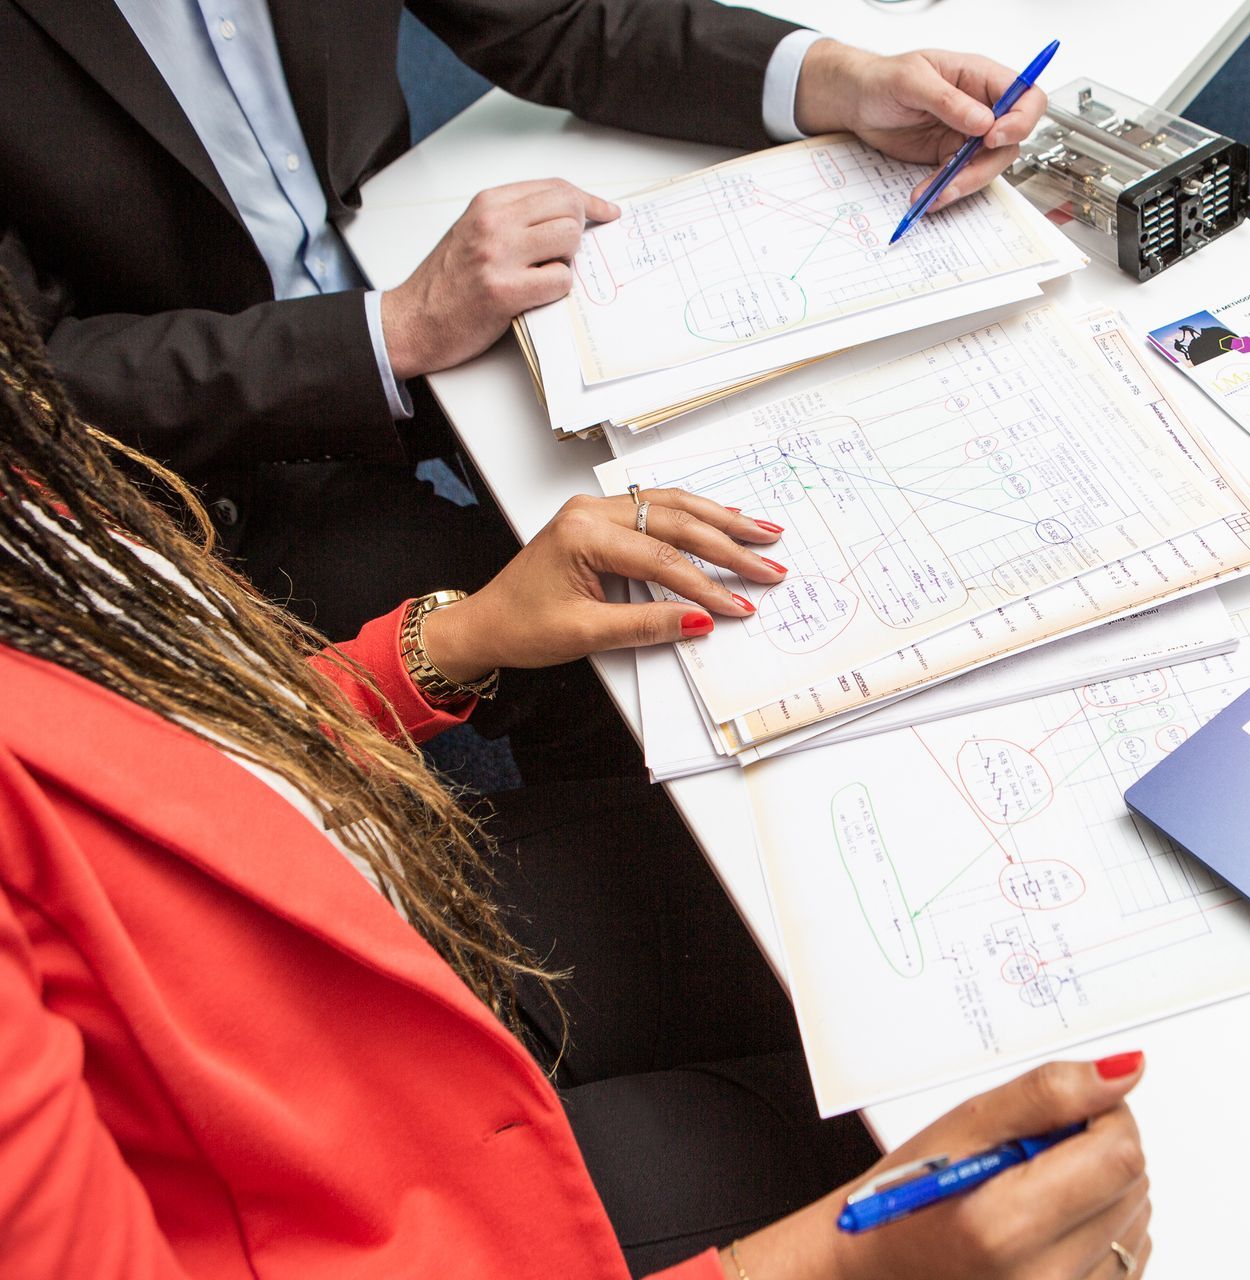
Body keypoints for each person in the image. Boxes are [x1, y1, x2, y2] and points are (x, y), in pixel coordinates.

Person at [0, 274, 1152, 1275]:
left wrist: (450, 638)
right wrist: (823, 1267)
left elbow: (162, 738)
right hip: (376, 1199)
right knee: (951, 1135)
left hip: (356, 932)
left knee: (853, 951)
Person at [0, 0, 1048, 779]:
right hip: (200, 465)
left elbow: (567, 18)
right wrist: (395, 328)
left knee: (819, 474)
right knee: (659, 657)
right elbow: (32, 376)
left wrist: (842, 82)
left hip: (428, 273)